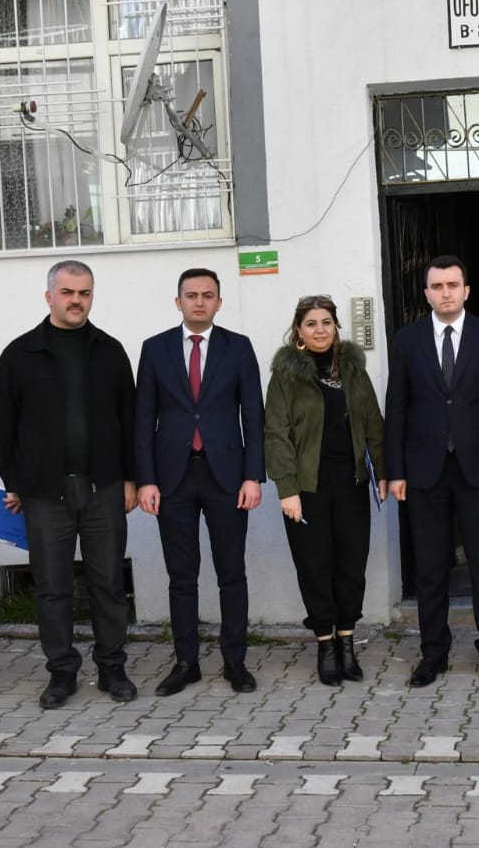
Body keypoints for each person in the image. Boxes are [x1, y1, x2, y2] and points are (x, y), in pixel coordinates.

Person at [0, 260, 138, 709]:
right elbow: (4, 426)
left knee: (108, 582)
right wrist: (15, 482)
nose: (77, 300)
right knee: (52, 587)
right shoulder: (20, 354)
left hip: (104, 489)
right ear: (49, 296)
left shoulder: (109, 351)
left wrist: (131, 479)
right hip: (44, 493)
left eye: (85, 293)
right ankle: (61, 673)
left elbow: (129, 421)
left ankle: (112, 667)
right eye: (69, 292)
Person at [385, 255, 479, 688]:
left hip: (478, 467)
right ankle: (433, 651)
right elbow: (398, 407)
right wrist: (396, 470)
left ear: (466, 290)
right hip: (425, 470)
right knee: (429, 566)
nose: (445, 292)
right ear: (426, 293)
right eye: (437, 286)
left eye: (453, 285)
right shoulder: (407, 340)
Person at [135, 268, 265, 696]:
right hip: (173, 477)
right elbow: (142, 421)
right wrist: (146, 480)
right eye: (191, 295)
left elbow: (254, 416)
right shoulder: (154, 349)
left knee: (232, 574)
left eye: (208, 295)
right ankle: (186, 662)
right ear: (178, 302)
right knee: (182, 576)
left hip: (226, 476)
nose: (199, 302)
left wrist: (252, 476)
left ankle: (235, 662)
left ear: (219, 302)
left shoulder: (239, 348)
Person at [264, 295, 387, 685]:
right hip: (307, 488)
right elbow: (275, 433)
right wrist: (286, 487)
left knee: (351, 564)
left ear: (336, 327)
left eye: (327, 323)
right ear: (298, 332)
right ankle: (325, 644)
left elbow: (373, 425)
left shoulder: (352, 370)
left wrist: (382, 472)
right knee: (315, 567)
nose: (320, 330)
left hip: (350, 483)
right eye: (311, 324)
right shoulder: (287, 375)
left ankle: (347, 642)